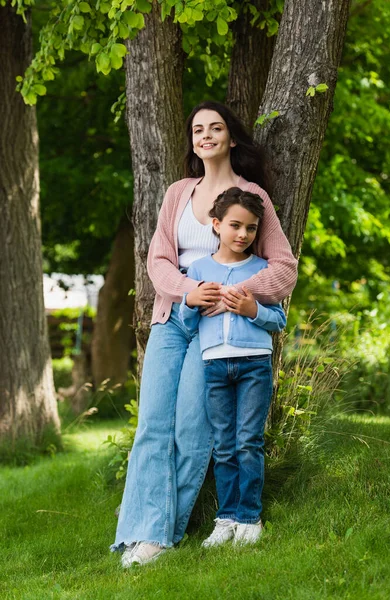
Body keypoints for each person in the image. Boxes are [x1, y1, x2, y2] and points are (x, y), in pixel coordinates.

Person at [111, 100, 297, 567]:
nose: (206, 135)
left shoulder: (252, 195)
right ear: (193, 141)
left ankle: (163, 535)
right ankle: (140, 532)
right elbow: (157, 260)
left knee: (192, 431)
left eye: (216, 128)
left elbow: (284, 268)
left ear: (231, 138)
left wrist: (233, 293)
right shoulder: (178, 193)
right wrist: (190, 290)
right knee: (152, 425)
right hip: (172, 319)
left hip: (218, 333)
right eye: (198, 129)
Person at [179, 188, 286, 547]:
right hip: (214, 366)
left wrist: (250, 310)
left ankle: (249, 518)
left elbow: (278, 319)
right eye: (235, 225)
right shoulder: (199, 269)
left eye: (252, 228)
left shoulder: (262, 270)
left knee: (248, 441)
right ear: (216, 224)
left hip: (254, 365)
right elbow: (188, 323)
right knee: (224, 445)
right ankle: (225, 518)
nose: (243, 234)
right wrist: (192, 301)